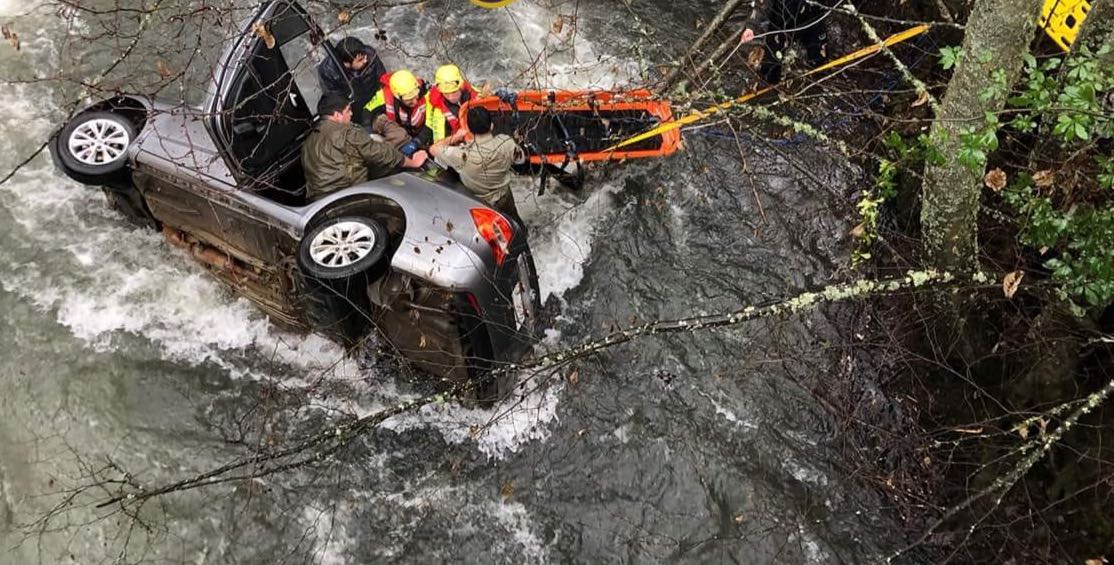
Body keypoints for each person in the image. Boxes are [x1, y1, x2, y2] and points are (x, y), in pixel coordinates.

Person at [302, 93, 428, 201]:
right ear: (337, 115)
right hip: (349, 194)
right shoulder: (348, 132)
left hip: (317, 202)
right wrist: (412, 162)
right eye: (348, 111)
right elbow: (380, 153)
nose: (351, 114)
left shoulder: (307, 143)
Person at [429, 106, 524, 221]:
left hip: (480, 204)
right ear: (491, 125)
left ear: (468, 128)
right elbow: (521, 160)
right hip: (504, 195)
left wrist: (456, 136)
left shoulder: (461, 155)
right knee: (515, 223)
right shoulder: (506, 142)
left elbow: (433, 149)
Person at [738, 0, 829, 84]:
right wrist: (751, 27)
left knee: (820, 61)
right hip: (781, 25)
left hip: (813, 22)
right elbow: (762, 4)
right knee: (769, 70)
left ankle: (819, 81)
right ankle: (769, 88)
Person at [318, 37, 388, 130]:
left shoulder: (370, 54)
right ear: (346, 63)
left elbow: (383, 78)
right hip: (353, 105)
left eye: (365, 57)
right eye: (360, 60)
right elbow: (335, 99)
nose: (365, 60)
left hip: (375, 96)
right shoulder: (328, 71)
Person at [364, 69, 441, 152]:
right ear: (397, 96)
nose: (415, 101)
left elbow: (430, 124)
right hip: (399, 129)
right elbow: (368, 110)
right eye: (409, 99)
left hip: (421, 131)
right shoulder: (384, 95)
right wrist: (368, 132)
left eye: (416, 96)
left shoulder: (427, 95)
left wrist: (417, 142)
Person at [428, 64, 480, 140]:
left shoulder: (475, 94)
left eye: (454, 92)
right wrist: (456, 138)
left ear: (461, 86)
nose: (451, 97)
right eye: (446, 94)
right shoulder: (439, 111)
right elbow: (439, 141)